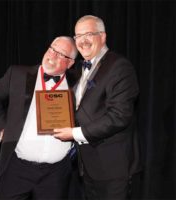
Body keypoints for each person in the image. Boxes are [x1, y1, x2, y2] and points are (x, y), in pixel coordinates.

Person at [53, 15, 141, 199]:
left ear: (103, 37)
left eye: (89, 34)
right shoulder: (78, 71)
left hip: (113, 169)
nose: (83, 41)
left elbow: (119, 116)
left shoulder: (119, 67)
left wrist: (75, 133)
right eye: (78, 36)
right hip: (88, 168)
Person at [0, 36, 78, 199]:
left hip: (56, 174)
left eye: (60, 54)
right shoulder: (19, 74)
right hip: (16, 168)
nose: (52, 55)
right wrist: (3, 126)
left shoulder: (77, 84)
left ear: (70, 63)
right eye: (52, 49)